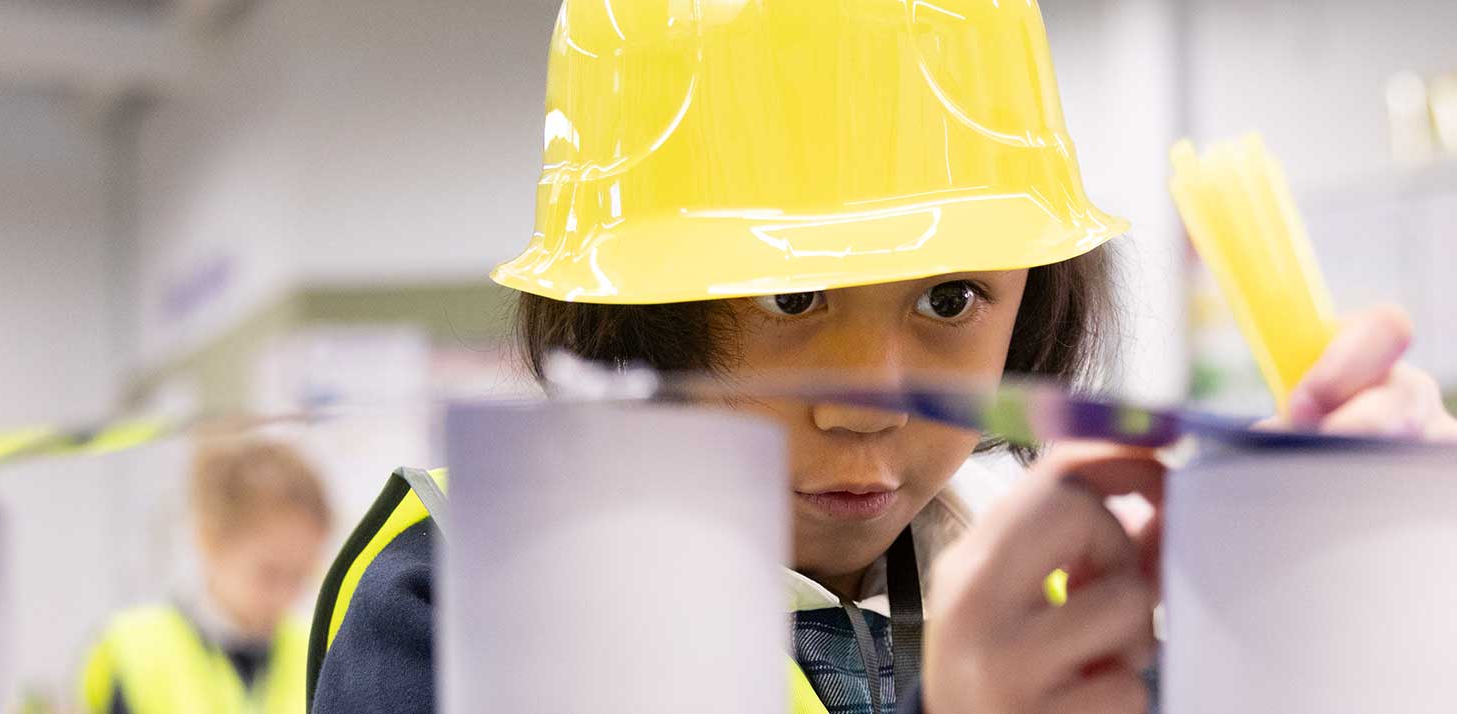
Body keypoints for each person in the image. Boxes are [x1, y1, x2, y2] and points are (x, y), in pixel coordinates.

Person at [306, 1, 1457, 713]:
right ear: (626, 316)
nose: (868, 403)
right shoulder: (462, 599)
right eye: (790, 295)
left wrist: (1335, 614)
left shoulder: (1074, 575)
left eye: (952, 298)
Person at [83, 438, 332, 714]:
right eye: (269, 573)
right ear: (209, 539)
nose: (286, 595)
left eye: (300, 576)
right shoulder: (134, 649)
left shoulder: (318, 652)